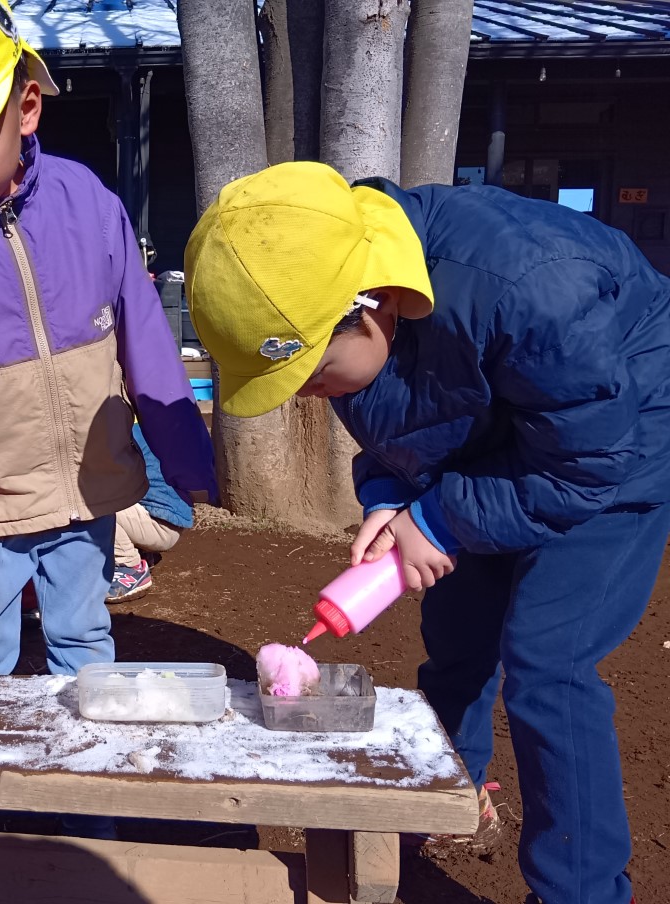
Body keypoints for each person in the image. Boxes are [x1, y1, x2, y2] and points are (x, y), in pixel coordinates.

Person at [184, 160, 667, 904]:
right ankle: (444, 796)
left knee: (549, 662)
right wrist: (390, 496)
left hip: (615, 444)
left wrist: (438, 517)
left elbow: (587, 460)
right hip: (505, 430)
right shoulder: (336, 299)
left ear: (372, 305)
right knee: (458, 632)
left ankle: (580, 889)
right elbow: (396, 424)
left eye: (315, 375)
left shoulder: (529, 283)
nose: (308, 394)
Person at [0, 0, 216, 677]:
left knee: (84, 639)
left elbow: (145, 339)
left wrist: (185, 455)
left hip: (90, 484)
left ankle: (85, 743)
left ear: (26, 108)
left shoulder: (88, 203)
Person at [107, 423, 192, 603]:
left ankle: (128, 566)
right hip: (167, 518)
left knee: (93, 504)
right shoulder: (136, 427)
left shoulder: (116, 434)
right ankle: (142, 551)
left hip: (158, 524)